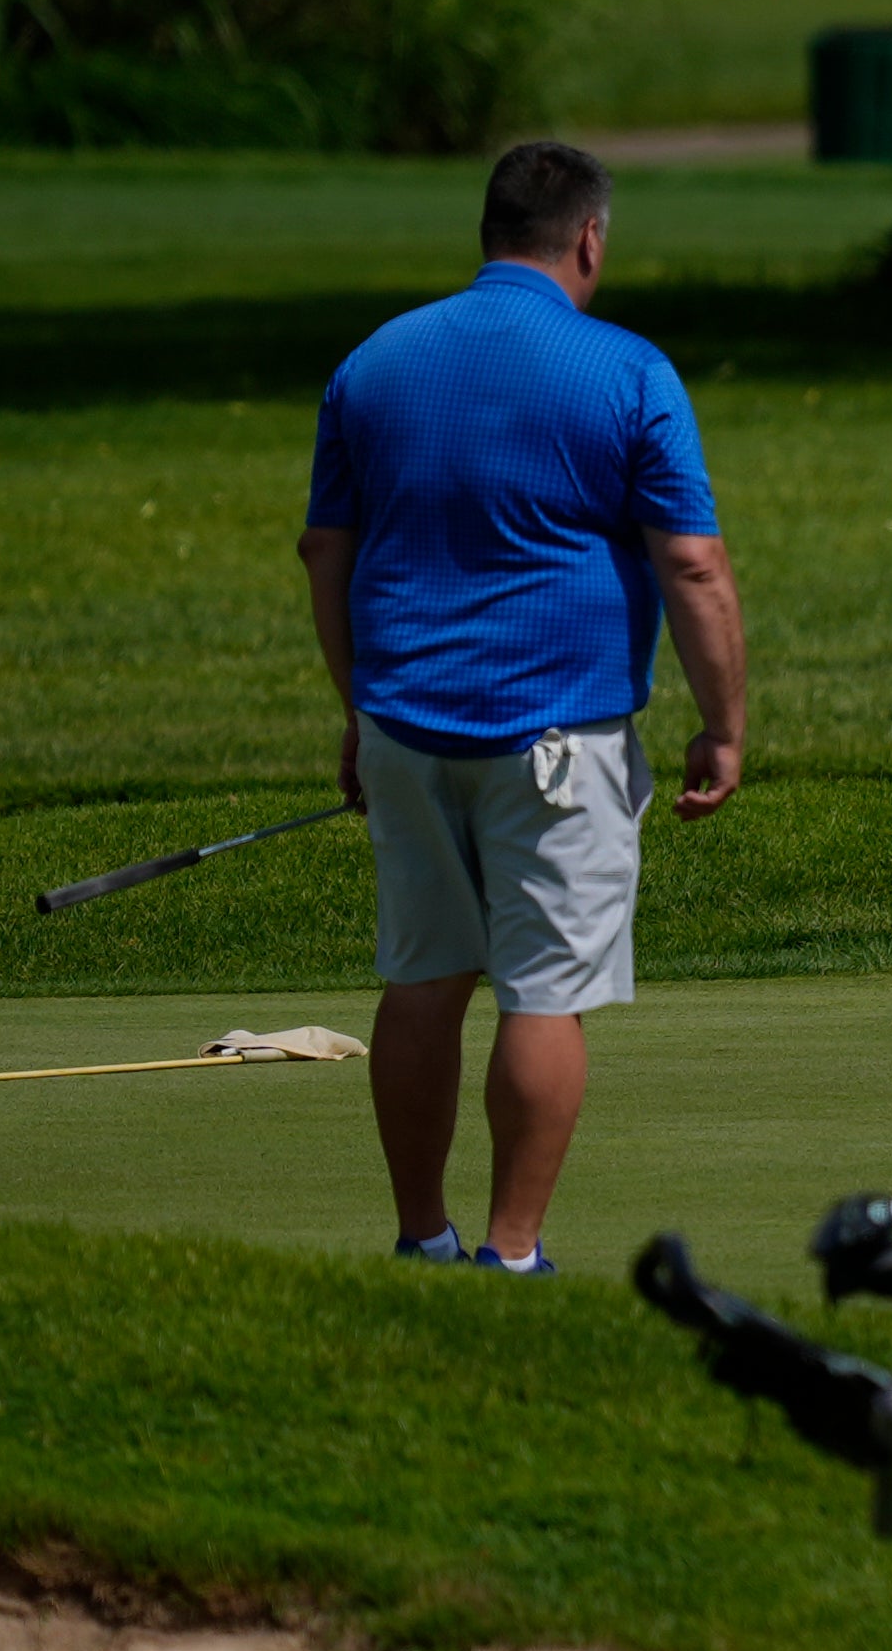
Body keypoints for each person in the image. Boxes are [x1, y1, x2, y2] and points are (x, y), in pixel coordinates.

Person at [297, 141, 747, 1270]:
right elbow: (692, 565)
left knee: (423, 977)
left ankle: (422, 1239)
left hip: (404, 725)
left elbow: (325, 551)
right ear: (588, 238)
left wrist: (358, 711)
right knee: (544, 992)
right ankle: (509, 1254)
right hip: (561, 735)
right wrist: (723, 724)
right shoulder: (627, 369)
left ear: (489, 231)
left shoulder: (374, 362)